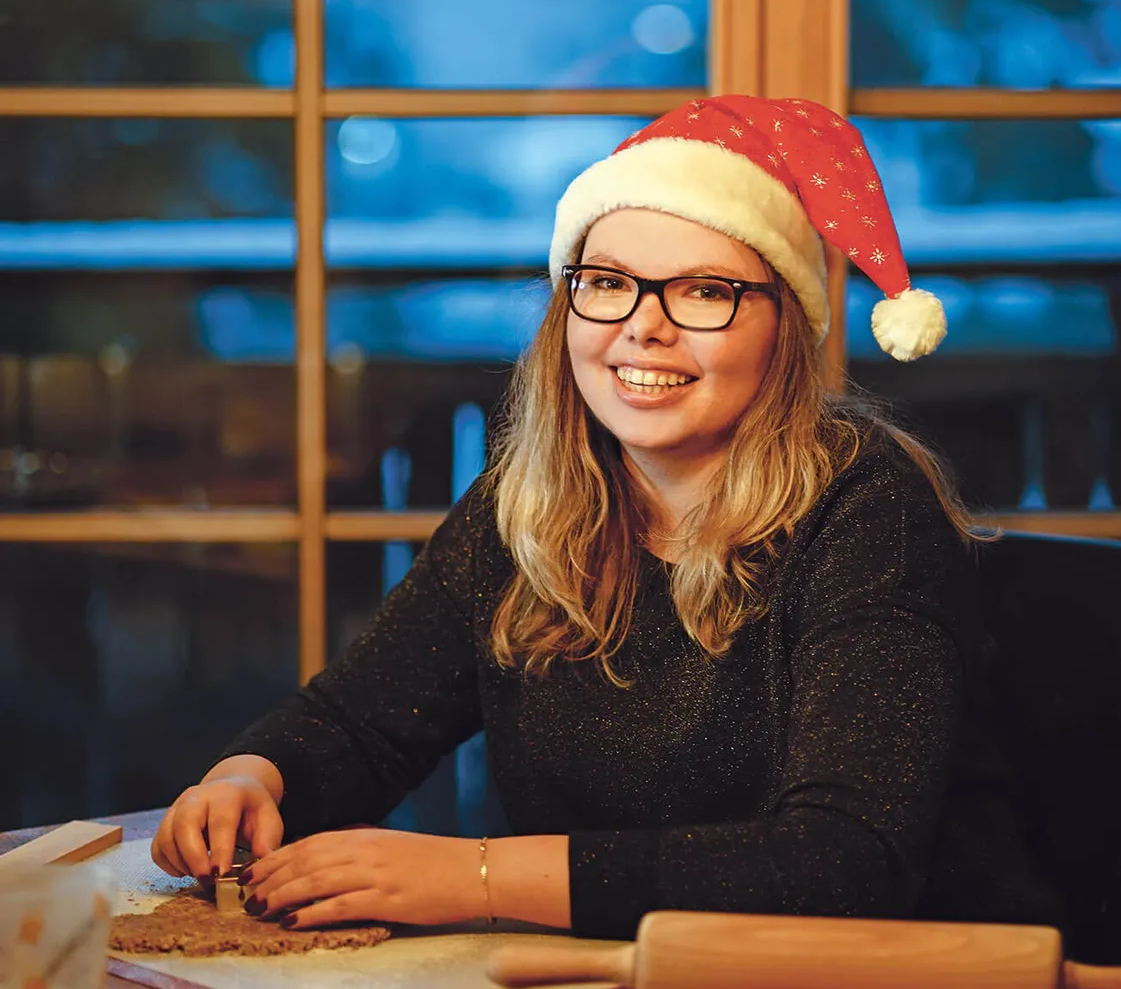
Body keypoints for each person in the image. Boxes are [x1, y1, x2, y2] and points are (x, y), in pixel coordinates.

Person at [152, 96, 1056, 940]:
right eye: (608, 281)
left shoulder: (866, 505)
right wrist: (249, 776)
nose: (643, 327)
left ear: (785, 328)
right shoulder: (535, 498)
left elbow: (843, 864)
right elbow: (360, 722)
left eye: (705, 291)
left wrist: (475, 878)